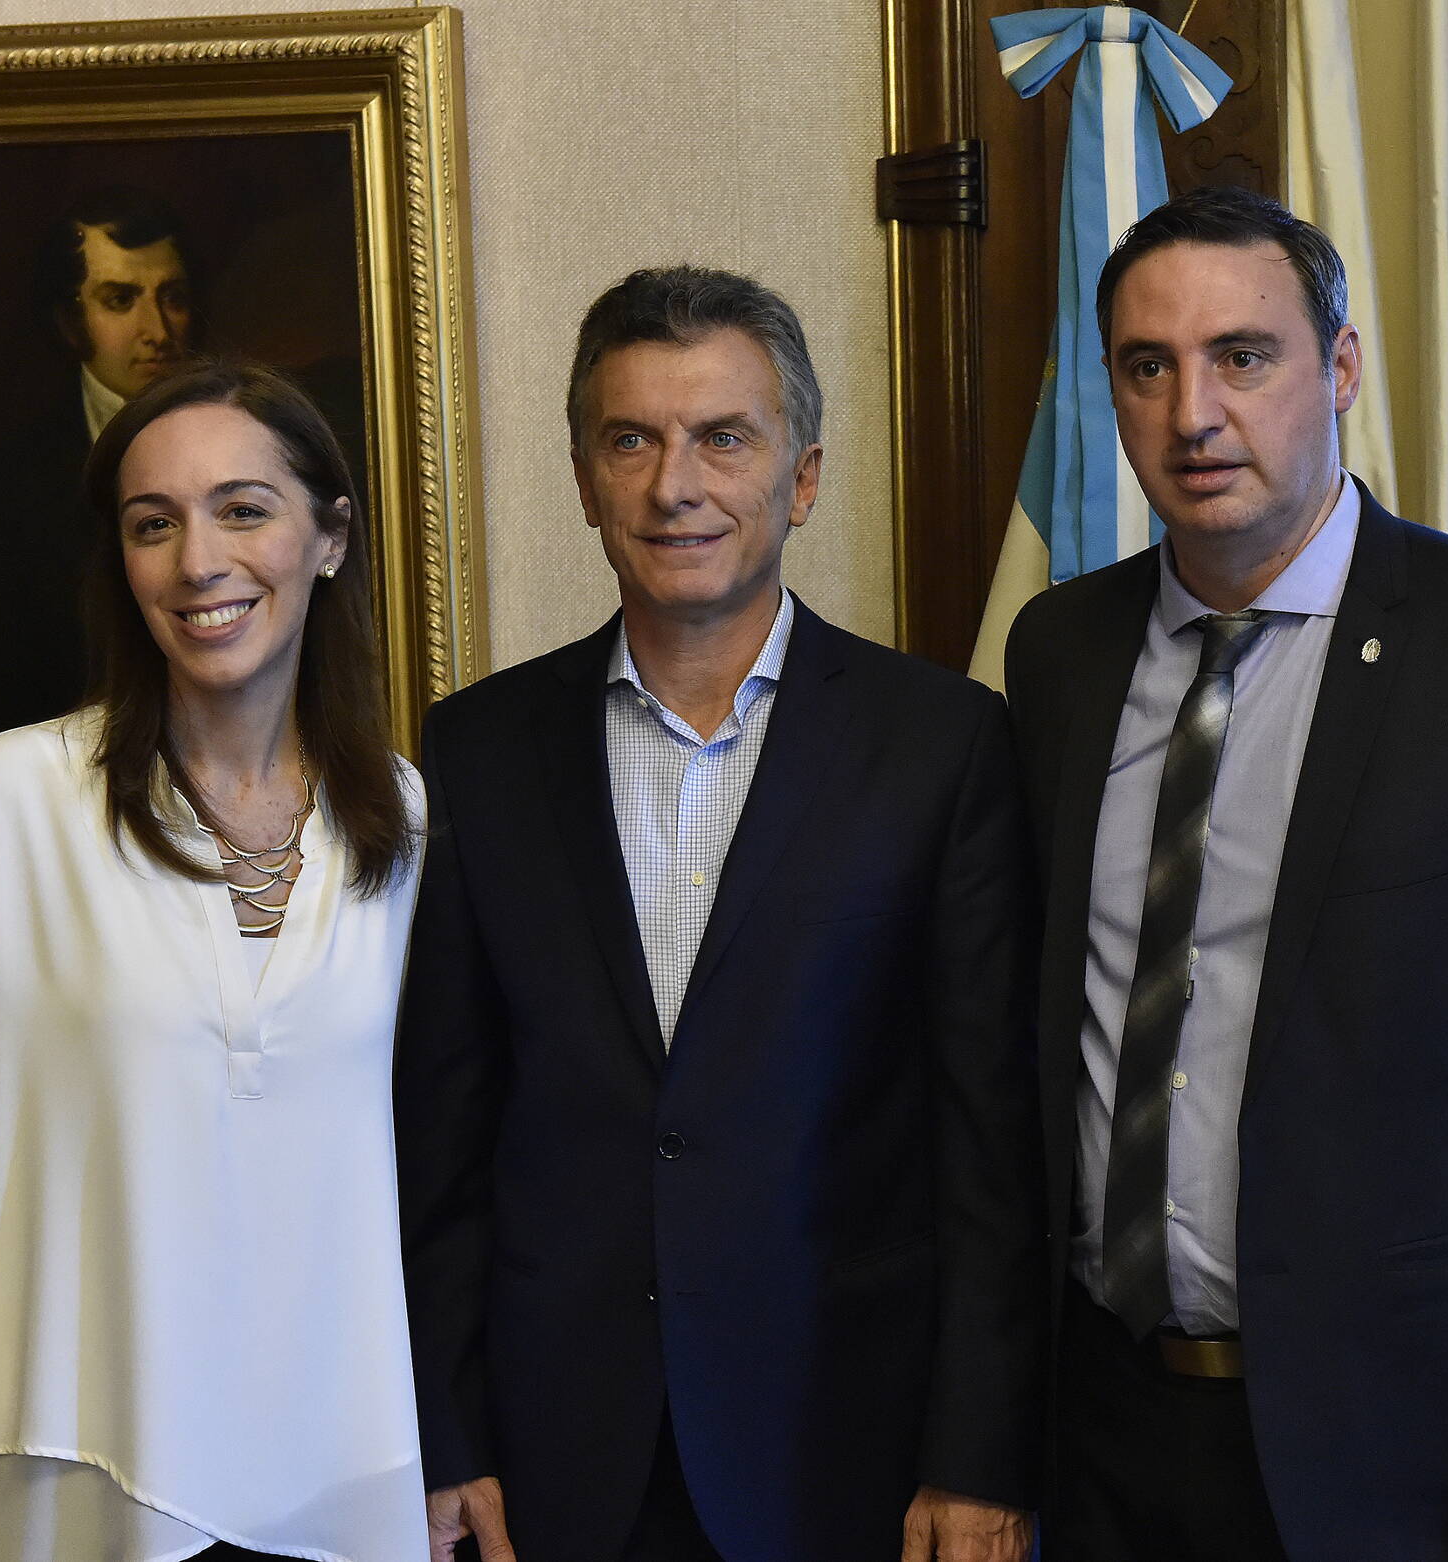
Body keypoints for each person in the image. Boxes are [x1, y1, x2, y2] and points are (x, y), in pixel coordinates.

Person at [1004, 185, 1448, 1562]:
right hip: (1097, 1443)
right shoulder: (1059, 655)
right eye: (1149, 367)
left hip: (1407, 1468)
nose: (1194, 412)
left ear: (1339, 368)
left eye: (1244, 357)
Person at [395, 266, 1045, 1562]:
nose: (672, 484)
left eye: (723, 439)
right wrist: (445, 1433)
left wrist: (977, 1454)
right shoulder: (476, 750)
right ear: (584, 478)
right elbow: (442, 1136)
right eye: (630, 439)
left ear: (801, 479)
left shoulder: (943, 745)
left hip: (846, 1452)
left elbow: (991, 1150)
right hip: (558, 1459)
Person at [0, 361, 427, 1560]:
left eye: (243, 508)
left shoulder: (407, 822)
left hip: (341, 1476)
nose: (197, 562)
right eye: (152, 524)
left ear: (328, 536)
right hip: (60, 1474)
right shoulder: (10, 800)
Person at [0, 185, 197, 754]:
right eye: (121, 300)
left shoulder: (251, 454)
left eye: (172, 296)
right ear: (71, 321)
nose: (158, 331)